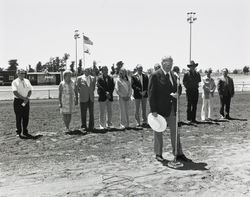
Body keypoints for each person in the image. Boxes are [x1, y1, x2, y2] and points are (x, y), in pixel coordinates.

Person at [148, 56, 191, 162]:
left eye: (170, 64)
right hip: (159, 109)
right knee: (158, 131)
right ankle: (158, 153)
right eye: (167, 64)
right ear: (162, 63)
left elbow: (179, 87)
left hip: (172, 108)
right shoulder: (155, 75)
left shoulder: (174, 75)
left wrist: (178, 93)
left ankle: (178, 153)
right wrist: (153, 110)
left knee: (175, 132)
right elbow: (151, 94)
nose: (169, 66)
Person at [12, 69, 33, 138]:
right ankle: (18, 132)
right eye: (21, 73)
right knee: (18, 117)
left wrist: (27, 98)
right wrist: (24, 99)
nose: (22, 74)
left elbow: (30, 90)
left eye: (23, 73)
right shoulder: (15, 82)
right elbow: (15, 92)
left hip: (26, 101)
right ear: (17, 74)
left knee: (26, 117)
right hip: (18, 101)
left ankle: (25, 131)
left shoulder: (27, 81)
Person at [75, 67, 96, 132]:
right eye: (86, 70)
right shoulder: (79, 78)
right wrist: (81, 93)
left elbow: (93, 88)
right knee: (83, 113)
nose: (87, 71)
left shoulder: (93, 78)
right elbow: (76, 88)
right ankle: (84, 126)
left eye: (89, 70)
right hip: (83, 98)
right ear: (84, 71)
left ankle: (91, 126)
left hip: (91, 98)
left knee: (91, 113)